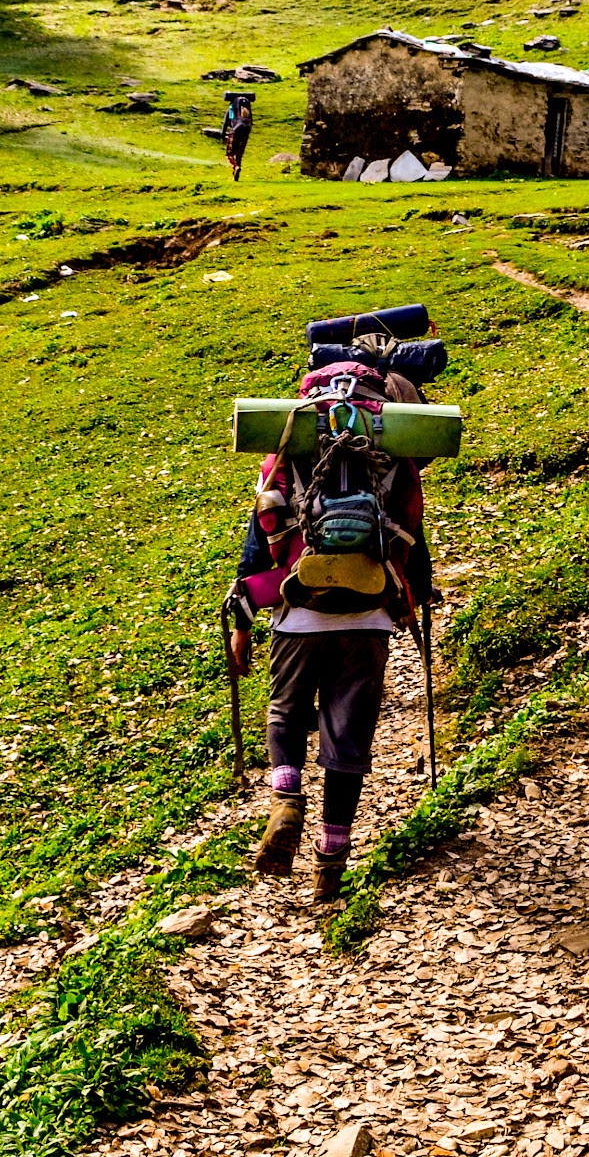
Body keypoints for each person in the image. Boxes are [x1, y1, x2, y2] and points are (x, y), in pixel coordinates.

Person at [228, 365, 433, 903]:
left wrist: (244, 621)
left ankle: (287, 797)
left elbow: (262, 532)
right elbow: (412, 534)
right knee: (349, 736)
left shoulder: (288, 445)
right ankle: (331, 863)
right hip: (367, 615)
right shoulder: (394, 454)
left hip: (297, 608)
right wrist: (413, 605)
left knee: (286, 710)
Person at [222, 94, 253, 181]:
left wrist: (223, 135)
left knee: (229, 154)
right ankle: (236, 174)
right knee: (239, 154)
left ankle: (236, 167)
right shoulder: (247, 110)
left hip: (235, 131)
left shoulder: (231, 109)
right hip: (245, 132)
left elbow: (226, 123)